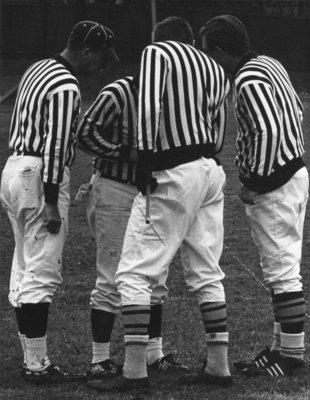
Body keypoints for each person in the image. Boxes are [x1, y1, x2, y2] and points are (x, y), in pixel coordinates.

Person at [88, 16, 232, 393]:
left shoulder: (157, 53)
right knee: (206, 270)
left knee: (134, 272)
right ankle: (219, 364)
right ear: (191, 39)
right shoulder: (214, 67)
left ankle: (134, 371)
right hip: (209, 171)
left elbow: (149, 106)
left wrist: (147, 161)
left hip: (173, 169)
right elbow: (217, 133)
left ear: (159, 38)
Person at [0, 20, 118, 384]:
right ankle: (36, 365)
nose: (100, 65)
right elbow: (55, 145)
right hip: (39, 174)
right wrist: (51, 200)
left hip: (14, 168)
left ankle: (32, 357)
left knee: (24, 264)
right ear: (86, 51)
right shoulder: (67, 84)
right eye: (98, 57)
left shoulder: (37, 68)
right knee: (42, 269)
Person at [200, 15, 308, 378]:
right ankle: (282, 346)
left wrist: (256, 180)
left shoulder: (247, 77)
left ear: (219, 51)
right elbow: (296, 111)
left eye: (208, 54)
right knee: (280, 265)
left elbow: (265, 128)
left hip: (276, 179)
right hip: (294, 170)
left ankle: (292, 353)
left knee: (281, 269)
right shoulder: (270, 63)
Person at [76, 73, 188, 379]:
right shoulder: (119, 92)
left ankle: (154, 353)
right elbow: (83, 133)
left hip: (153, 190)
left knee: (154, 272)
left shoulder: (174, 95)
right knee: (111, 273)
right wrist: (127, 153)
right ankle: (99, 358)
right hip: (116, 187)